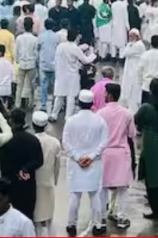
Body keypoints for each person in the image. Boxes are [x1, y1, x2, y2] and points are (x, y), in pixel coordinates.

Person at [62, 90, 109, 237]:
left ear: (79, 103)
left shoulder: (71, 121)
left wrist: (77, 157)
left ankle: (71, 225)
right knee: (95, 195)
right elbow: (104, 142)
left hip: (76, 164)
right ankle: (97, 225)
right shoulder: (100, 120)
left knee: (74, 195)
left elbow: (66, 142)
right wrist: (91, 156)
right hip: (94, 163)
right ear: (91, 104)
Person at [96, 82, 135, 229]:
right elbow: (131, 134)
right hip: (121, 152)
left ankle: (101, 217)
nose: (103, 95)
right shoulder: (127, 113)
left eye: (105, 93)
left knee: (103, 188)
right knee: (123, 188)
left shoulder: (100, 114)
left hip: (105, 153)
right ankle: (122, 217)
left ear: (110, 95)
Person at [135, 78, 158, 220]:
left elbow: (137, 120)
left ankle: (156, 210)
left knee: (151, 177)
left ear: (151, 90)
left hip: (151, 143)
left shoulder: (147, 107)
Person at [0, 108, 44, 221]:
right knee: (27, 217)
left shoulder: (5, 140)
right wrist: (26, 169)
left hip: (8, 183)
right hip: (27, 185)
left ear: (11, 121)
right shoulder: (33, 140)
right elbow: (39, 161)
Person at [50, 28, 97, 121]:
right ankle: (68, 117)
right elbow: (85, 60)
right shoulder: (74, 48)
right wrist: (94, 55)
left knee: (59, 96)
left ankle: (54, 114)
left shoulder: (60, 46)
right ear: (76, 37)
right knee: (70, 97)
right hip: (72, 76)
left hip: (61, 74)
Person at [31, 110, 61, 236]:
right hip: (48, 183)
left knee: (35, 219)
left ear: (33, 125)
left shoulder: (31, 140)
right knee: (48, 218)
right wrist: (55, 180)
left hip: (33, 185)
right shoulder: (54, 142)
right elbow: (57, 166)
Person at [137, 35, 158, 114]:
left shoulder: (145, 55)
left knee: (145, 111)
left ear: (151, 44)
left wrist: (141, 82)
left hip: (146, 85)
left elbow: (139, 70)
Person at [119, 29, 145, 113]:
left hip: (135, 70)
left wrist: (129, 45)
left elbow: (125, 53)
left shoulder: (138, 45)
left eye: (132, 36)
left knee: (134, 89)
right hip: (130, 69)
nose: (130, 38)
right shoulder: (133, 44)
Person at [15, 17, 37, 108]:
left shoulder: (19, 38)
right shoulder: (35, 39)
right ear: (32, 26)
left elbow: (16, 51)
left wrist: (17, 60)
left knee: (19, 85)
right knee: (31, 84)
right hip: (31, 64)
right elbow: (36, 53)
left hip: (21, 63)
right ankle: (31, 103)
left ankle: (17, 104)